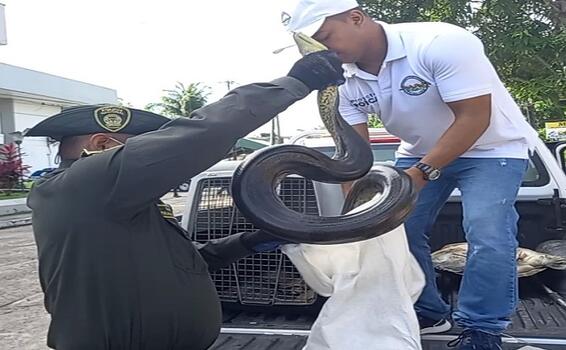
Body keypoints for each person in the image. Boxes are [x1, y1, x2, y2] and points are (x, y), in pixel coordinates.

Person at [24, 51, 345, 350]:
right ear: (101, 144)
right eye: (138, 146)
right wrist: (293, 84)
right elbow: (201, 132)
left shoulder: (108, 198)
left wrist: (250, 241)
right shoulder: (86, 183)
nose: (153, 157)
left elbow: (181, 263)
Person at [282, 0, 539, 349]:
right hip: (417, 149)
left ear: (356, 18)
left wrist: (423, 172)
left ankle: (483, 328)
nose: (323, 51)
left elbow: (474, 118)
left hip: (493, 148)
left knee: (487, 229)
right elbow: (353, 157)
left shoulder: (439, 42)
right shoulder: (340, 81)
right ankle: (428, 310)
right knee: (394, 227)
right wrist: (360, 211)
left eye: (326, 37)